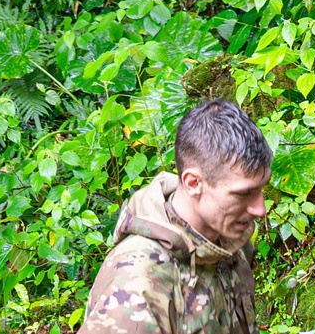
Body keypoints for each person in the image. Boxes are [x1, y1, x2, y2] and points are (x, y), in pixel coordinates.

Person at [81, 98, 272, 334]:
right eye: (244, 193)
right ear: (193, 184)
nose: (260, 209)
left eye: (262, 188)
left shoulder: (231, 244)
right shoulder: (136, 282)